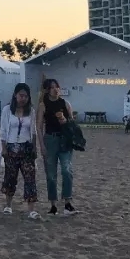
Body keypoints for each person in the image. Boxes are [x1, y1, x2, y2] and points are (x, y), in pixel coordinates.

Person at [36, 78, 79, 216]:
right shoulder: (43, 105)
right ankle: (53, 205)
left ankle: (67, 203)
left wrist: (65, 121)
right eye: (52, 87)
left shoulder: (65, 104)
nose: (55, 89)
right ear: (47, 90)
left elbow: (72, 123)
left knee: (67, 170)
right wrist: (41, 145)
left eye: (57, 87)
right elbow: (39, 126)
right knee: (51, 174)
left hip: (64, 140)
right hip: (50, 139)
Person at [0, 83, 40, 219]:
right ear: (15, 95)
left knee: (30, 178)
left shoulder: (31, 111)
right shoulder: (7, 110)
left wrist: (34, 148)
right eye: (21, 95)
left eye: (26, 96)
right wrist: (4, 148)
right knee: (10, 177)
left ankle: (31, 210)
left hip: (26, 148)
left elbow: (33, 131)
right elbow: (3, 130)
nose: (23, 98)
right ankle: (8, 205)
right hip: (11, 148)